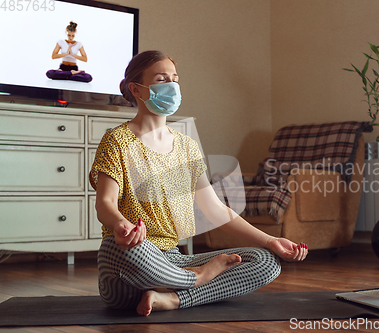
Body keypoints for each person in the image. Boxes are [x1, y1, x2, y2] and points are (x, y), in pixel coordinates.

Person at [89, 50, 308, 316]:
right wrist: (120, 224)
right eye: (161, 79)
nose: (171, 86)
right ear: (136, 89)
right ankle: (198, 279)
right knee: (119, 248)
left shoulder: (187, 147)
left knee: (265, 261)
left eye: (175, 79)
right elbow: (105, 203)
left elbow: (215, 209)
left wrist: (270, 241)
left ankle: (171, 299)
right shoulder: (116, 141)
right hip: (132, 264)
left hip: (173, 260)